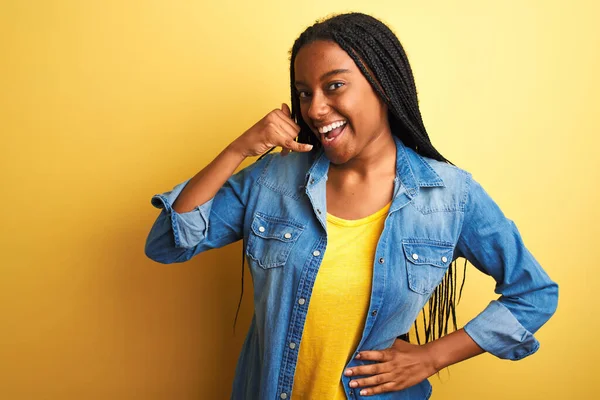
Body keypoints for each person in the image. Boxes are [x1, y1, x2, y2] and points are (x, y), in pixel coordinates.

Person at [145, 12, 558, 400]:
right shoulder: (273, 178)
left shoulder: (449, 196)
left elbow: (534, 293)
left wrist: (431, 357)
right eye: (305, 93)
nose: (315, 109)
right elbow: (168, 242)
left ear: (382, 84)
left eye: (334, 86)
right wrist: (237, 149)